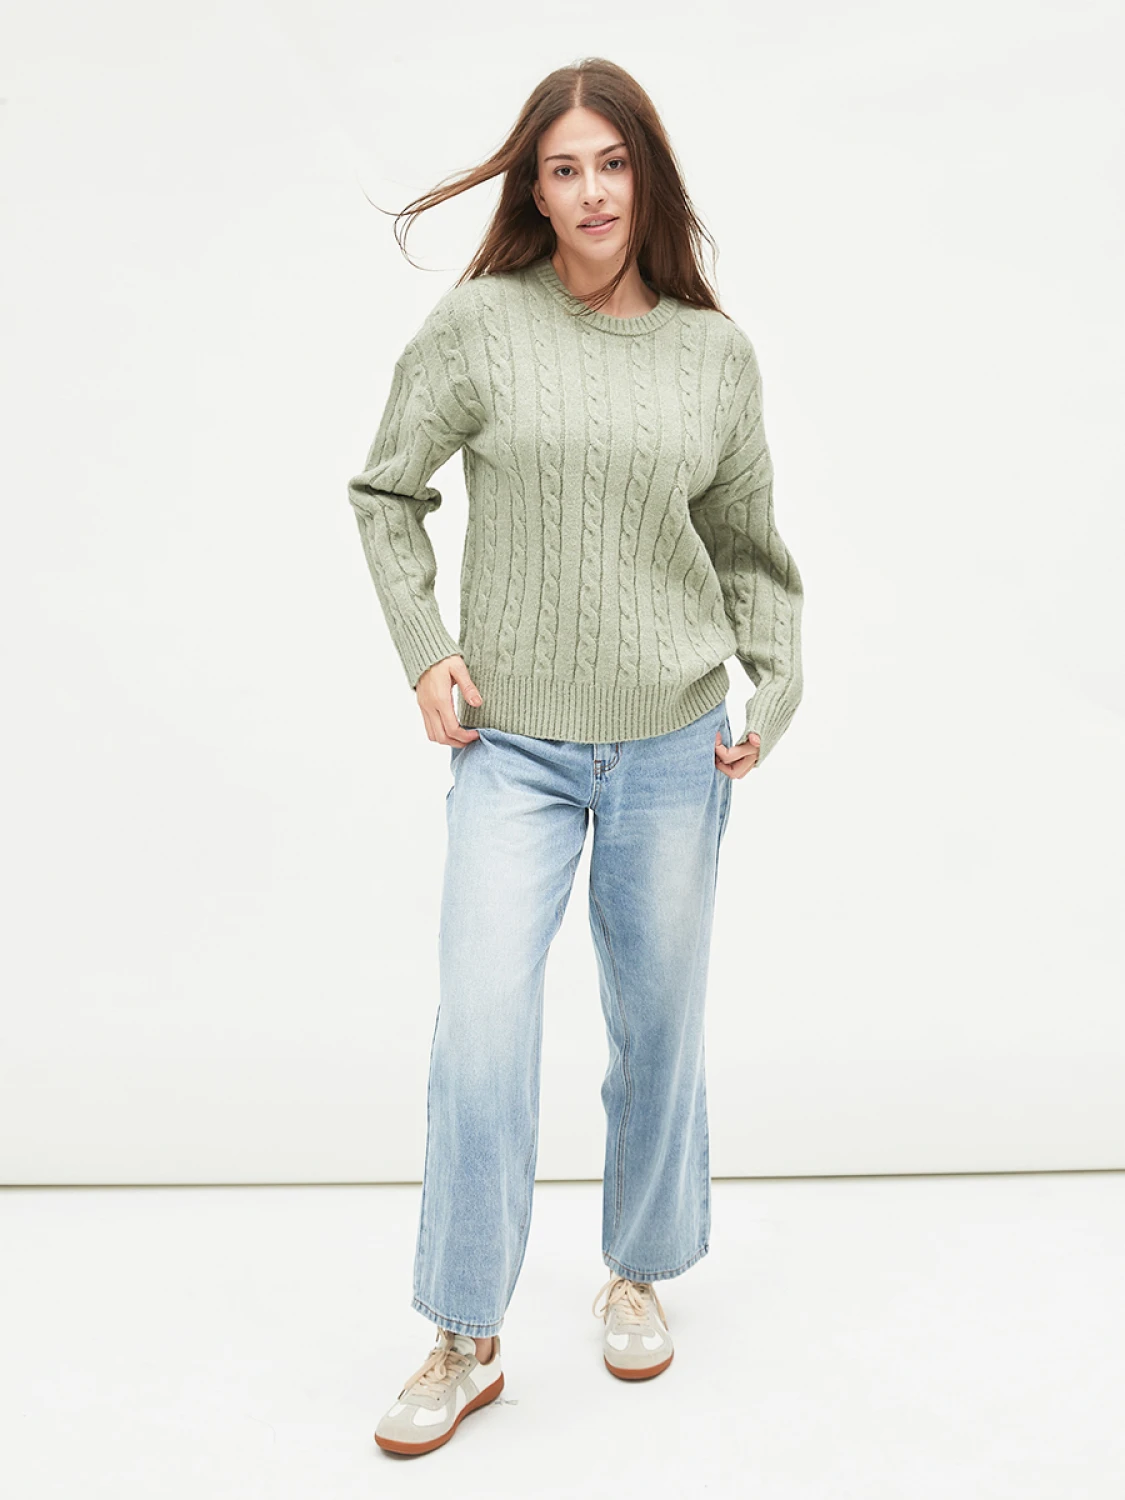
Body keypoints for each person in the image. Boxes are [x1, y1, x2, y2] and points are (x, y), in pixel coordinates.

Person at [347, 56, 805, 1457]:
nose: (593, 191)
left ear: (646, 174)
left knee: (658, 1023)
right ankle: (463, 1332)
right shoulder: (480, 326)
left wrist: (775, 681)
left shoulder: (713, 355)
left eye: (613, 162)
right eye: (564, 168)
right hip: (515, 748)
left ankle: (639, 1271)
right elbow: (384, 491)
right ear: (534, 189)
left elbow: (747, 544)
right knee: (482, 1026)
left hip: (672, 738)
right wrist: (427, 649)